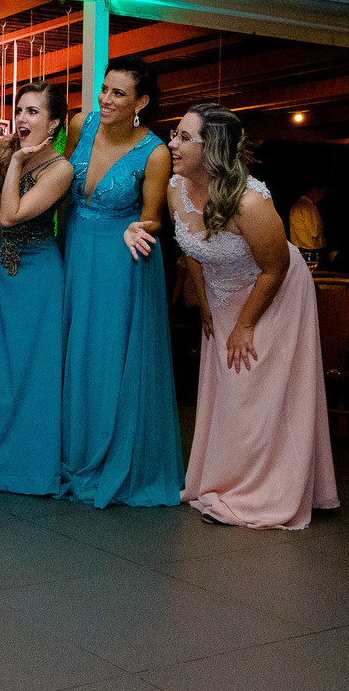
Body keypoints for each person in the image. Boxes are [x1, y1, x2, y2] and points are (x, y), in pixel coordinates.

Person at [143, 103, 339, 528]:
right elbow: (192, 248)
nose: (171, 144)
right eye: (174, 134)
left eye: (183, 138)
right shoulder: (177, 188)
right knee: (226, 389)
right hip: (221, 292)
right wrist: (206, 304)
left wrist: (246, 324)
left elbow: (276, 268)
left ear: (212, 149)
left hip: (273, 293)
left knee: (253, 388)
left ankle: (258, 491)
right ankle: (220, 480)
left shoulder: (250, 202)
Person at [59, 56, 183, 508]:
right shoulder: (79, 126)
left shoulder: (155, 152)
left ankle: (110, 455)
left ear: (141, 101)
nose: (106, 99)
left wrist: (139, 228)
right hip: (74, 249)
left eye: (118, 93)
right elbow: (60, 190)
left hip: (122, 256)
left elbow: (154, 217)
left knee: (107, 356)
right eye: (104, 89)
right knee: (72, 349)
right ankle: (69, 455)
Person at [0, 81, 73, 495]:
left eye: (33, 112)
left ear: (54, 122)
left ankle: (27, 467)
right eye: (19, 110)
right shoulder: (6, 151)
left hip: (38, 276)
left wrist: (14, 164)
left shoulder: (60, 169)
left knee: (32, 372)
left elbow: (12, 213)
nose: (22, 119)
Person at [288, 180, 326, 266]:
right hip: (312, 253)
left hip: (298, 252)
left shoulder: (296, 206)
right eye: (321, 193)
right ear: (315, 190)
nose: (322, 197)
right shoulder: (309, 208)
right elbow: (314, 232)